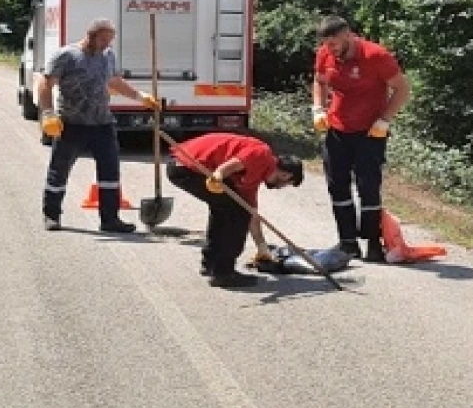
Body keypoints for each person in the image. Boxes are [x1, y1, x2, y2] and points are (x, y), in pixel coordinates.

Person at [38, 18, 160, 233]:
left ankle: (110, 219)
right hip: (71, 124)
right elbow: (45, 84)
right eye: (103, 39)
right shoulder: (67, 55)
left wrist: (141, 97)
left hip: (102, 123)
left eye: (110, 40)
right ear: (90, 35)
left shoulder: (107, 56)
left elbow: (114, 82)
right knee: (60, 169)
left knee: (110, 171)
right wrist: (48, 114)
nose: (107, 44)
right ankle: (52, 215)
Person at [311, 15, 411, 262]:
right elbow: (319, 80)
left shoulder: (375, 56)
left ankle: (372, 243)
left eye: (334, 43)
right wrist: (318, 108)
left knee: (368, 187)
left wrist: (385, 119)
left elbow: (402, 89)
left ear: (347, 34)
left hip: (370, 131)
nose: (330, 48)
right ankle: (347, 243)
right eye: (326, 44)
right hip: (337, 128)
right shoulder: (325, 54)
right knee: (337, 185)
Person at [165, 132, 304, 288]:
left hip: (184, 168)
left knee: (229, 209)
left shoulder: (254, 178)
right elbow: (231, 165)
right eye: (287, 184)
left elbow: (251, 212)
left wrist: (262, 247)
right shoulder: (262, 154)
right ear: (286, 175)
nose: (281, 188)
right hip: (189, 166)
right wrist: (218, 175)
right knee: (236, 214)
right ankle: (224, 273)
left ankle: (211, 264)